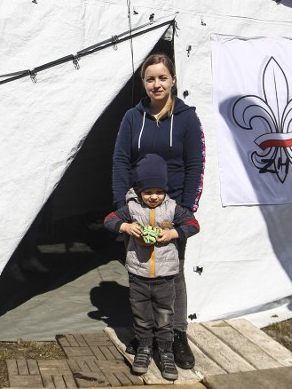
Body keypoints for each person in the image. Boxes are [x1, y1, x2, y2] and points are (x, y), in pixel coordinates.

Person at [112, 53, 205, 369]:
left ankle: (176, 334)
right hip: (138, 207)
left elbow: (196, 165)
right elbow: (121, 161)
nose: (157, 84)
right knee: (138, 267)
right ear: (143, 82)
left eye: (162, 77)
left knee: (172, 271)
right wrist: (122, 207)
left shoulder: (188, 118)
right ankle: (145, 334)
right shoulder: (131, 118)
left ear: (173, 80)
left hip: (173, 207)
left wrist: (187, 209)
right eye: (150, 78)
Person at [104, 154, 200, 380]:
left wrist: (174, 233)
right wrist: (126, 227)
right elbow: (108, 220)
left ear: (165, 190)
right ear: (138, 191)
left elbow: (194, 224)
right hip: (138, 276)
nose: (153, 197)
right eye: (148, 192)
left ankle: (166, 352)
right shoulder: (132, 208)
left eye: (158, 192)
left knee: (166, 316)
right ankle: (145, 349)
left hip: (166, 278)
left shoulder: (173, 209)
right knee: (142, 316)